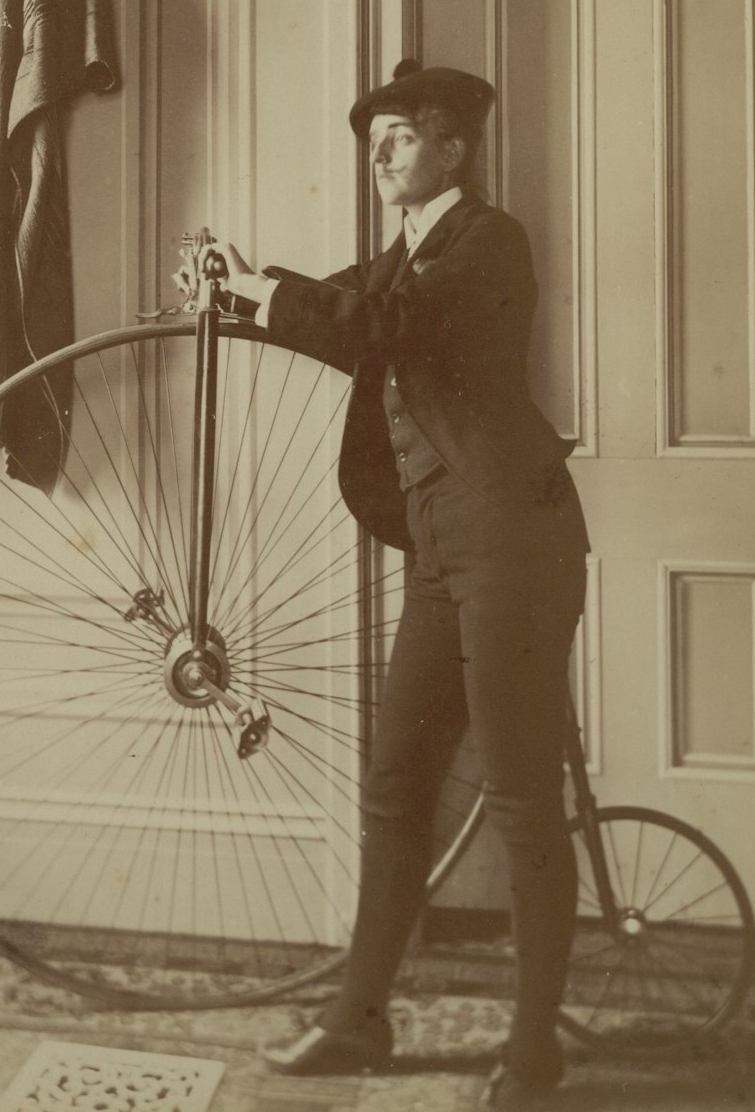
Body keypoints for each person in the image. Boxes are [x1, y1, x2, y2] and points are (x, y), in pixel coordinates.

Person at [185, 60, 589, 1111]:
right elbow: (340, 316)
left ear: (455, 148)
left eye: (401, 134)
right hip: (440, 553)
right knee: (395, 787)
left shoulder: (488, 241)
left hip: (515, 547)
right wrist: (231, 290)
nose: (379, 151)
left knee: (518, 803)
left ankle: (533, 1050)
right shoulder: (401, 258)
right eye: (372, 137)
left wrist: (273, 291)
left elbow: (377, 327)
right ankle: (358, 1022)